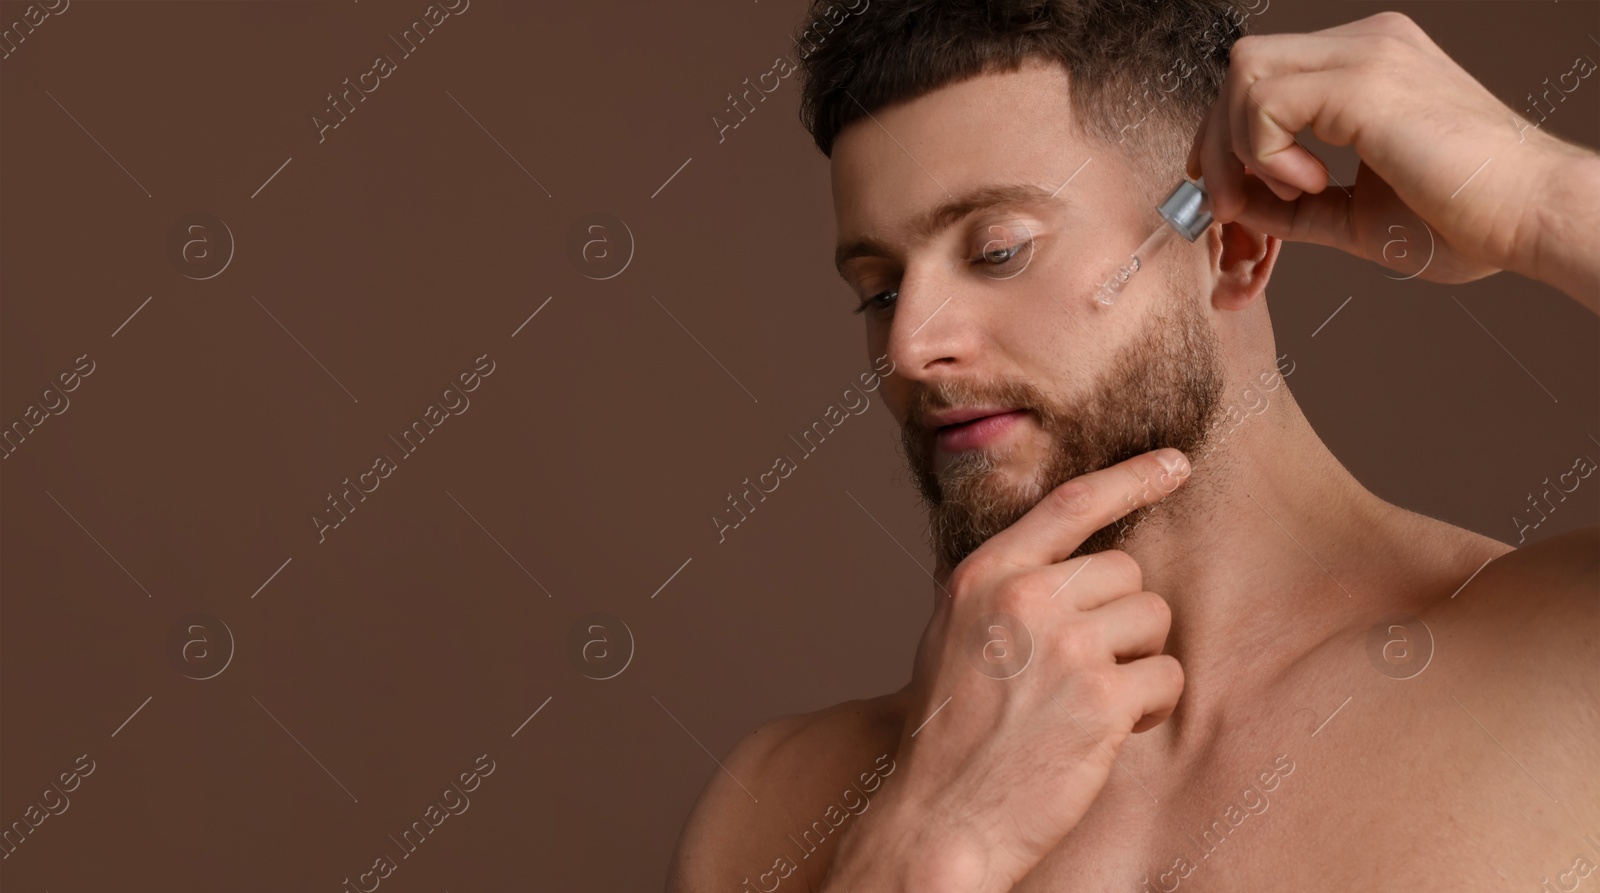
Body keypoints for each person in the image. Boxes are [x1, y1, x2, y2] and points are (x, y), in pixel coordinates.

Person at [668, 2, 1600, 890]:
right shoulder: (780, 803)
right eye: (878, 290)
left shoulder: (1567, 677)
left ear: (1231, 242)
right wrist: (923, 850)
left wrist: (1551, 202)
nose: (911, 345)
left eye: (996, 250)